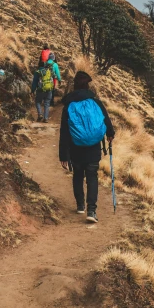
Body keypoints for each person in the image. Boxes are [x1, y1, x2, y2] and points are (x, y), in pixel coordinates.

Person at [59, 70, 115, 223]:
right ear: (88, 85)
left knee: (77, 174)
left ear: (75, 86)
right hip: (93, 147)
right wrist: (110, 134)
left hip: (75, 148)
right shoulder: (96, 102)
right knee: (92, 176)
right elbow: (106, 120)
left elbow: (64, 132)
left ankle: (80, 205)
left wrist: (63, 155)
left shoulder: (69, 105)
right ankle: (91, 210)